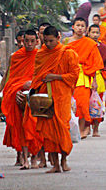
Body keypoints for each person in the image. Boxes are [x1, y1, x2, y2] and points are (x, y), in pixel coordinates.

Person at [24, 26, 79, 173]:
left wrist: (55, 77)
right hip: (45, 97)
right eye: (46, 41)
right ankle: (55, 164)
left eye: (51, 41)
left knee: (62, 127)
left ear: (58, 38)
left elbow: (74, 76)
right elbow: (36, 75)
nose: (48, 44)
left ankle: (64, 160)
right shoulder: (41, 54)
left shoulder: (68, 53)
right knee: (49, 132)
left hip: (62, 96)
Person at [1, 29, 39, 169]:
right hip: (17, 93)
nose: (29, 44)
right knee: (20, 125)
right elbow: (11, 78)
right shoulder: (16, 56)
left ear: (37, 41)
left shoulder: (40, 56)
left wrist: (31, 84)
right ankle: (24, 158)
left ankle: (34, 157)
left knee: (33, 124)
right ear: (22, 41)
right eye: (26, 41)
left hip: (34, 93)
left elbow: (41, 77)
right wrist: (18, 87)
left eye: (32, 41)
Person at [63, 17, 103, 139]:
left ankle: (82, 129)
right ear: (73, 27)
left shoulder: (90, 44)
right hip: (69, 74)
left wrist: (94, 81)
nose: (80, 28)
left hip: (84, 75)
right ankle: (69, 128)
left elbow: (95, 62)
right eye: (78, 25)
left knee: (82, 104)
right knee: (69, 103)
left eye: (82, 26)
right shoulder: (66, 42)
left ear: (85, 29)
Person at [87, 24, 106, 137]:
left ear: (99, 34)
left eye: (96, 33)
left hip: (99, 78)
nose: (94, 35)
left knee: (97, 104)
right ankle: (86, 126)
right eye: (92, 32)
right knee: (85, 103)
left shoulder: (103, 49)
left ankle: (95, 129)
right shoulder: (84, 46)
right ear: (88, 33)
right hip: (86, 77)